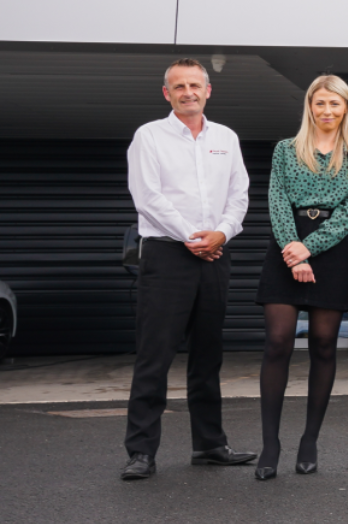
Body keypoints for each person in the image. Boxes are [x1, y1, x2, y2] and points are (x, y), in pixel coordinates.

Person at [121, 58, 257, 480]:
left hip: (215, 253)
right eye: (178, 86)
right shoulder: (149, 136)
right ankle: (141, 452)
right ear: (167, 93)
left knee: (207, 355)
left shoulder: (226, 138)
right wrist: (191, 237)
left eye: (195, 85)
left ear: (208, 90)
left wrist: (221, 233)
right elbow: (148, 197)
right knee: (154, 356)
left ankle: (210, 445)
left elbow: (240, 195)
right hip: (166, 255)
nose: (187, 92)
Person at [254, 74, 348, 479]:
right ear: (309, 106)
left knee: (323, 344)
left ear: (345, 109)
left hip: (330, 251)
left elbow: (347, 213)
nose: (327, 111)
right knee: (279, 342)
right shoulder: (286, 150)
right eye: (320, 103)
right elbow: (278, 201)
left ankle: (309, 440)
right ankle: (270, 444)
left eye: (335, 104)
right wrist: (293, 249)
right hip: (287, 247)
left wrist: (311, 248)